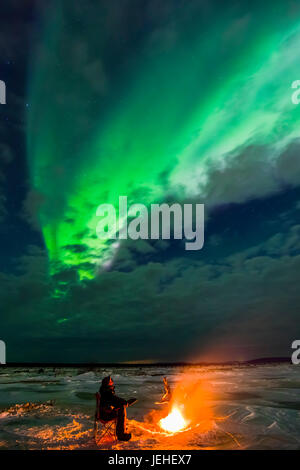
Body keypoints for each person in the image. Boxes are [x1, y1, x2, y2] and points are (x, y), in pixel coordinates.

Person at [98, 376, 137, 441]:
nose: (112, 382)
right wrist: (126, 403)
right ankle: (121, 435)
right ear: (107, 384)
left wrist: (124, 403)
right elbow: (116, 400)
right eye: (110, 381)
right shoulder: (107, 393)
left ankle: (122, 430)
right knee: (121, 409)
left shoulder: (103, 391)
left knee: (120, 407)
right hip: (105, 416)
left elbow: (115, 400)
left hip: (102, 414)